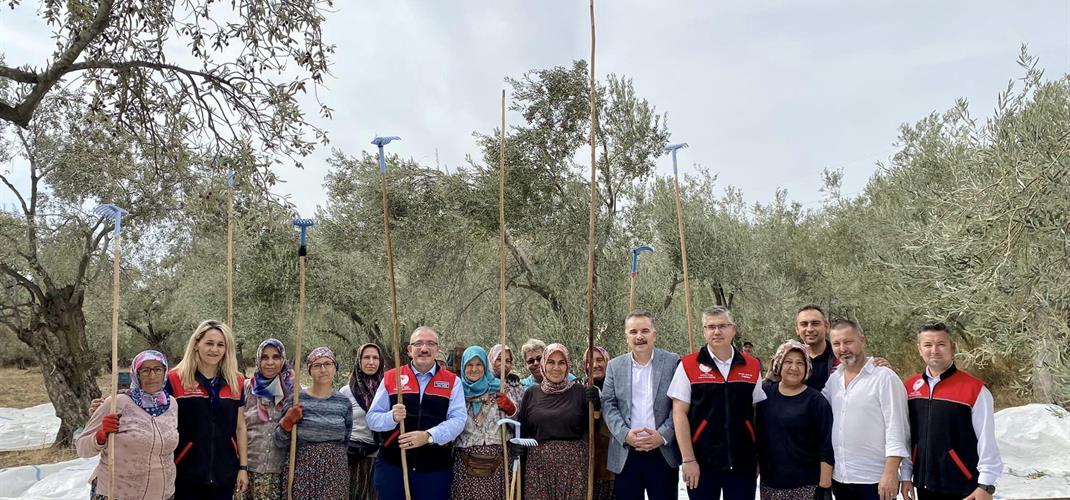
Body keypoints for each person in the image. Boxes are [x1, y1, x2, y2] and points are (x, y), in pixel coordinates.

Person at [669, 306, 765, 500]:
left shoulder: (752, 365)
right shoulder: (687, 365)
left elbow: (756, 413)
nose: (717, 331)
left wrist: (757, 457)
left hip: (742, 463)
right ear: (704, 331)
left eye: (723, 326)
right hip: (701, 464)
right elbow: (679, 413)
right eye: (711, 326)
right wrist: (688, 459)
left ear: (734, 329)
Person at [899, 323, 1003, 500]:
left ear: (952, 347)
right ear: (919, 349)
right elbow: (908, 437)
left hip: (965, 488)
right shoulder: (909, 387)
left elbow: (986, 440)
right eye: (927, 345)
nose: (934, 350)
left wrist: (985, 485)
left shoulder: (975, 389)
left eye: (941, 344)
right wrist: (906, 476)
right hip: (923, 486)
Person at [367, 326, 466, 500]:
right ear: (409, 349)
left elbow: (458, 420)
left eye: (430, 344)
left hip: (434, 469)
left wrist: (429, 436)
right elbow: (372, 419)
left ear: (437, 349)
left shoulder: (452, 382)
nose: (424, 349)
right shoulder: (392, 377)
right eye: (418, 343)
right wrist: (391, 417)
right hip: (393, 466)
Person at [822, 320, 909, 500]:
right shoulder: (834, 380)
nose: (842, 348)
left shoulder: (884, 377)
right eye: (837, 344)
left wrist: (891, 473)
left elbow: (897, 428)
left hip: (875, 480)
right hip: (841, 478)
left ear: (862, 340)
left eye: (848, 342)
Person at [601, 310, 681, 500]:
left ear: (654, 334)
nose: (639, 336)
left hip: (663, 453)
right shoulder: (614, 366)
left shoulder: (673, 362)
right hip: (626, 453)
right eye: (633, 331)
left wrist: (662, 435)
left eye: (645, 330)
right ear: (626, 336)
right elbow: (608, 404)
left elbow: (679, 405)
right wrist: (625, 434)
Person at [77, 350, 179, 500]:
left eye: (158, 369)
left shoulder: (172, 404)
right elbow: (82, 448)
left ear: (165, 372)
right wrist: (101, 435)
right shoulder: (116, 403)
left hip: (164, 494)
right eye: (145, 370)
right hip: (116, 494)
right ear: (136, 374)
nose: (152, 376)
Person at [166, 319, 249, 499]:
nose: (215, 349)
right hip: (185, 471)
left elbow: (240, 427)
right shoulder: (174, 379)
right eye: (209, 343)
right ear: (196, 344)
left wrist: (243, 467)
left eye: (221, 344)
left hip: (225, 471)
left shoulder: (237, 381)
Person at [517, 343, 598, 500]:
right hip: (538, 469)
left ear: (568, 365)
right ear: (544, 365)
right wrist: (517, 448)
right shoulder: (531, 394)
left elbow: (594, 428)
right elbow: (522, 431)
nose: (556, 367)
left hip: (574, 469)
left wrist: (596, 405)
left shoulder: (580, 392)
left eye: (561, 363)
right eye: (551, 362)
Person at [755, 341, 834, 500]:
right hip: (770, 485)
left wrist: (824, 485)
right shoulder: (764, 394)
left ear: (807, 368)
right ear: (778, 364)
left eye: (800, 363)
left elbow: (826, 445)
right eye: (788, 362)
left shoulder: (816, 400)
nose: (794, 367)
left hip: (807, 486)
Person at [274, 346, 352, 500]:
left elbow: (346, 440)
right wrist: (287, 422)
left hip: (335, 471)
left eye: (328, 364)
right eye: (317, 365)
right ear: (310, 370)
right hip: (302, 470)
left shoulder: (343, 402)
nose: (323, 369)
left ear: (335, 368)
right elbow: (278, 440)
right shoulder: (296, 399)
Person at [451, 345, 519, 500]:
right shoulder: (456, 391)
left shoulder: (501, 388)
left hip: (497, 463)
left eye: (479, 364)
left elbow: (518, 424)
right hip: (465, 464)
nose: (474, 369)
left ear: (485, 366)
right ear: (463, 367)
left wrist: (512, 410)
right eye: (469, 365)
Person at [242, 338, 294, 500]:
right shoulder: (246, 388)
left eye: (276, 357)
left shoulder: (293, 392)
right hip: (246, 470)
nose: (270, 362)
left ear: (283, 359)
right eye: (264, 357)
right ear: (258, 360)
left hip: (278, 473)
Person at [339, 343, 385, 500]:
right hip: (352, 456)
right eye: (366, 357)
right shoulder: (347, 392)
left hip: (379, 457)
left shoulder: (387, 390)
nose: (371, 362)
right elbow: (340, 426)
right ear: (359, 361)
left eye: (375, 358)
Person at [583, 345, 615, 500]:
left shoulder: (617, 388)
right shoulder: (578, 389)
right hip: (587, 465)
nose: (595, 365)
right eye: (590, 361)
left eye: (600, 359)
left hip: (612, 465)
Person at [489, 343, 526, 409]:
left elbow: (523, 413)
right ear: (491, 359)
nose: (504, 364)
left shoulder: (516, 386)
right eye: (499, 360)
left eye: (508, 361)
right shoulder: (482, 385)